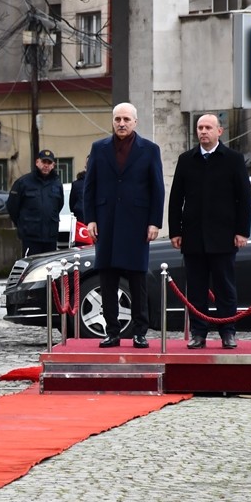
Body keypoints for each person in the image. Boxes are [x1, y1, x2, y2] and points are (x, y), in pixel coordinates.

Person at [83, 102, 165, 349]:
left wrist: (154, 222)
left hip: (137, 224)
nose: (121, 123)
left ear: (135, 122)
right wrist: (91, 219)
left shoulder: (149, 150)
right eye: (117, 119)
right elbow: (90, 187)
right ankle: (112, 331)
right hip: (106, 223)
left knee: (137, 279)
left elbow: (157, 188)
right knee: (107, 279)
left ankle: (140, 331)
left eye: (126, 119)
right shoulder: (99, 148)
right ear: (112, 121)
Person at [168, 114, 251, 350]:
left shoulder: (233, 159)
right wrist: (175, 230)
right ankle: (198, 332)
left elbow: (244, 199)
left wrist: (242, 231)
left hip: (224, 236)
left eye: (208, 128)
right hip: (193, 236)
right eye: (200, 128)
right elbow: (176, 198)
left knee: (225, 287)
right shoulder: (186, 159)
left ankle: (228, 332)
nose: (203, 131)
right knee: (196, 289)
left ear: (219, 131)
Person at [6, 149, 62, 255]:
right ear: (37, 162)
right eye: (43, 162)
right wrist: (23, 225)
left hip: (50, 237)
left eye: (49, 163)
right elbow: (12, 206)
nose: (46, 165)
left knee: (49, 269)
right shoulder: (23, 182)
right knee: (31, 269)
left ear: (53, 165)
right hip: (30, 237)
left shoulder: (57, 184)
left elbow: (59, 205)